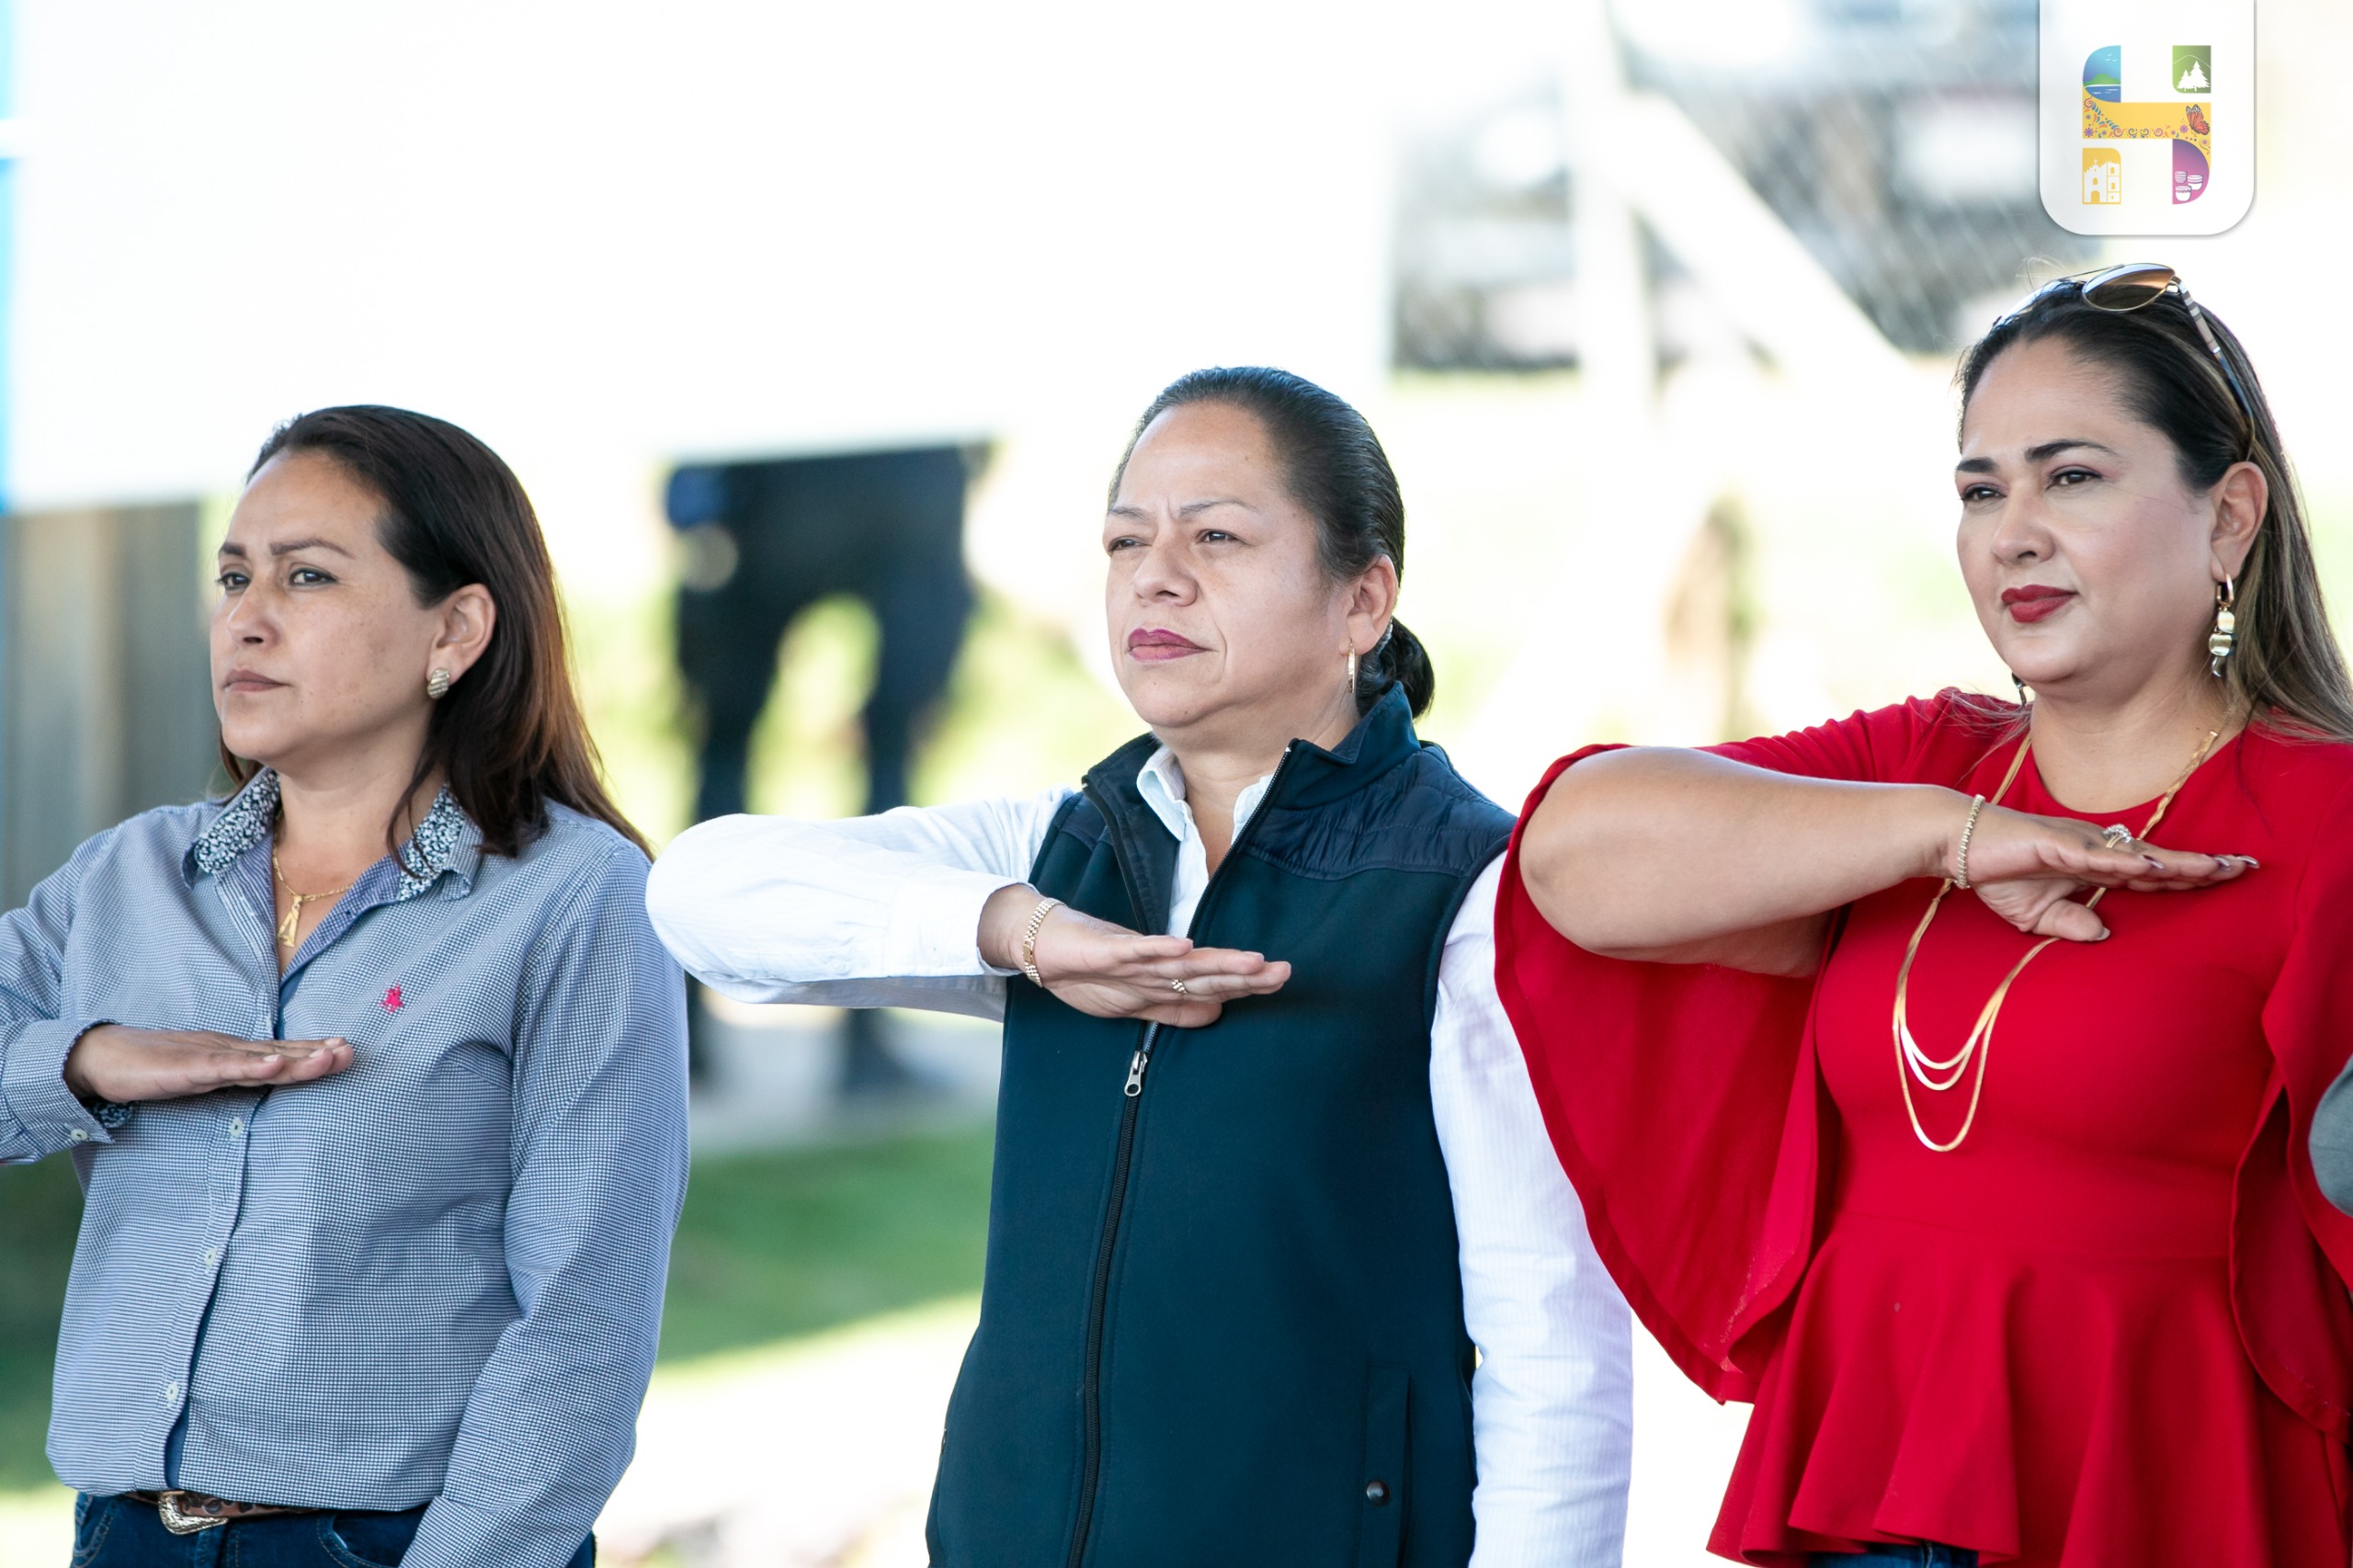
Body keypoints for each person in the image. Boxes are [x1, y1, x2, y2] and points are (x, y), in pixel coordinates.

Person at [647, 367, 1632, 1566]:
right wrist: (1021, 931)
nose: (1156, 573)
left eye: (1217, 534)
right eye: (1126, 539)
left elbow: (1555, 1351)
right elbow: (700, 893)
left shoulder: (1469, 892)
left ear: (1362, 598)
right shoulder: (1060, 851)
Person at [1503, 262, 2353, 1567]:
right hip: (1870, 1488)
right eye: (1980, 488)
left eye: (2071, 477)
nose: (2012, 531)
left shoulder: (2322, 810)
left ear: (2229, 516)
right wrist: (1939, 835)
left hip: (2168, 1494)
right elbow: (1569, 852)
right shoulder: (1922, 764)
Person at [0, 406, 688, 1568]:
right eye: (233, 576)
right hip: (121, 1535)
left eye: (306, 575)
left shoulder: (576, 897)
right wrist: (82, 1060)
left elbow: (583, 1318)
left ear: (457, 627)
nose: (246, 618)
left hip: (393, 1544)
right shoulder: (127, 878)